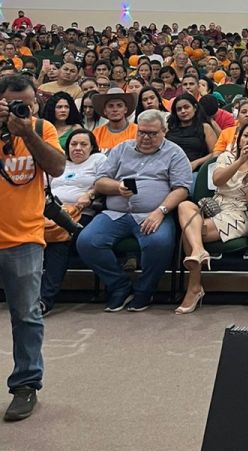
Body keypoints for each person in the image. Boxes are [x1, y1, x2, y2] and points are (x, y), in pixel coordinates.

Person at [76, 109, 191, 312]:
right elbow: (100, 182)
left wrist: (161, 211)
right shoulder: (121, 149)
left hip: (153, 213)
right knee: (87, 241)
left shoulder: (175, 153)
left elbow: (181, 189)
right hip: (116, 214)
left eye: (152, 133)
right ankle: (119, 285)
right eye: (142, 132)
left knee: (159, 243)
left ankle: (145, 290)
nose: (145, 137)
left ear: (164, 131)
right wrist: (117, 187)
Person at [0, 73, 66, 421]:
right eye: (13, 104)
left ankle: (26, 385)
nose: (21, 110)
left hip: (24, 237)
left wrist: (25, 132)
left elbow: (57, 166)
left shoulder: (41, 129)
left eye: (27, 104)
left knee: (26, 315)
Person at [175, 119, 248, 314]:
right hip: (216, 205)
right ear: (238, 139)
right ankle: (199, 252)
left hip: (239, 213)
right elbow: (218, 180)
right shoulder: (226, 157)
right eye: (246, 135)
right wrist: (240, 160)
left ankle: (194, 287)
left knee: (189, 231)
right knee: (184, 206)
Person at [40, 128, 106, 314]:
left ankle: (44, 300)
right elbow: (42, 188)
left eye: (83, 144)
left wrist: (90, 194)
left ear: (92, 147)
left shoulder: (98, 160)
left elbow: (104, 182)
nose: (78, 148)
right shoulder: (59, 163)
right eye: (73, 144)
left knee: (59, 242)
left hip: (82, 213)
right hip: (51, 212)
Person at [166, 93, 217, 174]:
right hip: (171, 170)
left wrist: (196, 163)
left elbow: (215, 153)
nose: (183, 111)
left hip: (196, 171)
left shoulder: (205, 127)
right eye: (179, 109)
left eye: (186, 107)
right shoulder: (170, 128)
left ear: (195, 107)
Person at [91, 87, 139, 151]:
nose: (115, 109)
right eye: (110, 106)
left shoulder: (137, 131)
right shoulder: (97, 133)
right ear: (105, 111)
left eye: (119, 106)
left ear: (125, 109)